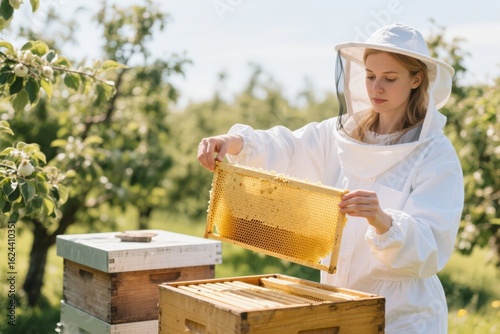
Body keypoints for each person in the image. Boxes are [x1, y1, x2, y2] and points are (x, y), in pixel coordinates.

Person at [197, 23, 464, 334]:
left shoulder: (435, 154)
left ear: (416, 79)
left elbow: (432, 247)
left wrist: (382, 220)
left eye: (390, 79)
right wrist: (235, 142)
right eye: (370, 76)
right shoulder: (340, 134)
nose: (376, 88)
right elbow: (289, 148)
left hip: (405, 317)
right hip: (341, 305)